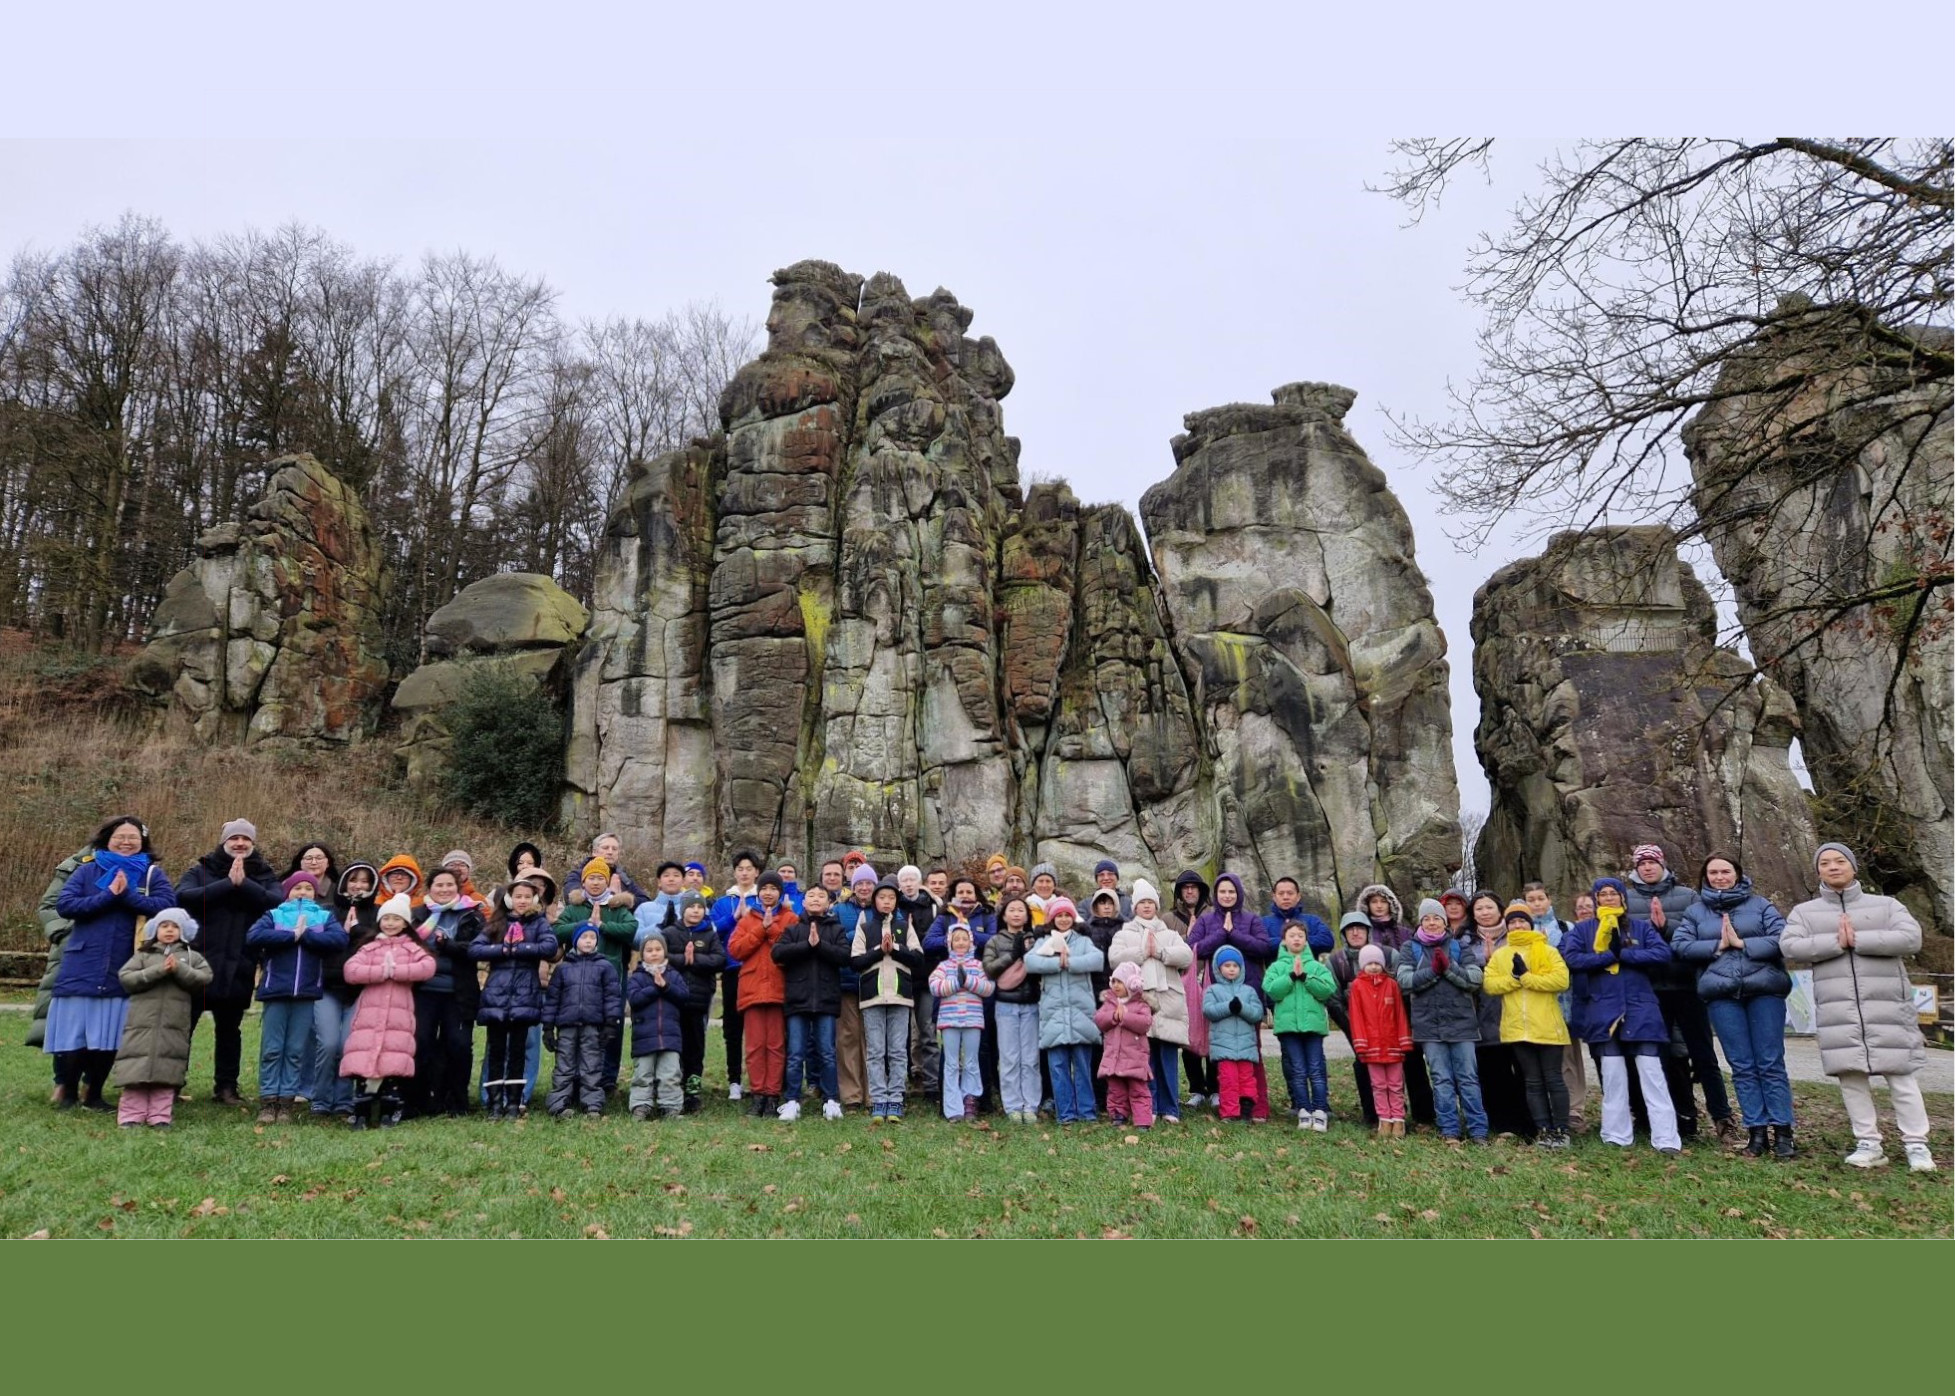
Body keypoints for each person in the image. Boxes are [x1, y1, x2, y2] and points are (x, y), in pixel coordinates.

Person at [1781, 843, 1935, 1172]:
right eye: (1825, 863)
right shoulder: (1804, 912)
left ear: (1853, 867)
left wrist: (1860, 940)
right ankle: (1868, 1143)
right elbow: (1790, 945)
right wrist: (1834, 943)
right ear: (1818, 870)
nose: (1833, 867)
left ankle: (1917, 1145)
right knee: (1851, 1078)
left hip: (1887, 1006)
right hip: (1839, 1011)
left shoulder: (1886, 905)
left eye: (1840, 861)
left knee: (1902, 1076)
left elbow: (1911, 939)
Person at [48, 816, 175, 1112]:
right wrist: (108, 896)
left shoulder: (151, 874)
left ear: (143, 842)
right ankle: (66, 1091)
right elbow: (66, 905)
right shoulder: (87, 870)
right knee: (75, 1034)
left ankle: (94, 1093)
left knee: (109, 1036)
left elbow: (166, 907)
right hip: (83, 962)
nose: (126, 842)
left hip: (125, 963)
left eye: (133, 837)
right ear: (107, 839)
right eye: (120, 836)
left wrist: (127, 896)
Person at [1674, 854, 1795, 1158]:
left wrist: (1743, 944)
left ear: (1737, 875)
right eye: (1713, 872)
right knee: (1741, 1065)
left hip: (1764, 990)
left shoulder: (1760, 905)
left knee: (1770, 1061)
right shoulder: (1695, 912)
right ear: (1705, 876)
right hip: (1722, 994)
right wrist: (1718, 946)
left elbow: (1784, 938)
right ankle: (1756, 1132)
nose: (1719, 877)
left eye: (1725, 871)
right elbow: (1680, 945)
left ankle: (1783, 1132)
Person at [1626, 843, 1738, 1146]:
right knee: (1659, 1059)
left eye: (1652, 862)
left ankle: (1722, 1117)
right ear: (1635, 868)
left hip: (1687, 985)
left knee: (1703, 1056)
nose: (1647, 867)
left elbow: (1699, 935)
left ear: (1662, 864)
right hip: (1649, 990)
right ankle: (1668, 1119)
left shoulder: (1688, 896)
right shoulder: (1627, 898)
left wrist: (1665, 927)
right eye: (1642, 863)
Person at [1562, 880, 1676, 1153]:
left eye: (1614, 893)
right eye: (1603, 894)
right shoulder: (1583, 930)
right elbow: (1572, 959)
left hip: (1640, 1007)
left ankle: (1666, 1138)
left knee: (1652, 1074)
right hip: (1602, 1009)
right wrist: (1605, 957)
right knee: (1613, 1076)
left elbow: (1662, 953)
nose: (1609, 898)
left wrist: (1623, 954)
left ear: (1623, 898)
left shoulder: (1640, 927)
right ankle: (1616, 1134)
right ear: (1596, 899)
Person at [175, 818, 280, 1105]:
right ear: (224, 842)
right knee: (184, 1026)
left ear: (253, 844)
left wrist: (244, 884)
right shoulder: (201, 869)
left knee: (230, 1030)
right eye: (234, 838)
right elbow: (183, 898)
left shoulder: (263, 873)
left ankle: (226, 1087)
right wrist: (227, 885)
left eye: (246, 839)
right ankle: (171, 1084)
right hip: (198, 962)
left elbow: (276, 902)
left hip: (240, 963)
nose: (240, 843)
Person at [244, 870, 347, 1122]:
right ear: (287, 891)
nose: (302, 892)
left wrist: (308, 935)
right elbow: (254, 936)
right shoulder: (274, 914)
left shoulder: (324, 916)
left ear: (316, 892)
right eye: (297, 888)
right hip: (276, 991)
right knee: (272, 1048)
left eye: (308, 888)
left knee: (294, 1049)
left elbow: (339, 939)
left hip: (307, 992)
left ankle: (286, 1102)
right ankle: (269, 1100)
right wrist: (291, 936)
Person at [340, 893, 437, 1128]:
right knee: (363, 1062)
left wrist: (398, 971)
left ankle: (389, 1109)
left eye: (396, 919)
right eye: (387, 919)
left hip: (398, 1016)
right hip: (369, 1015)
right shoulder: (370, 947)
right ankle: (361, 1110)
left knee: (392, 1064)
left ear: (405, 923)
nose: (391, 923)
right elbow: (351, 971)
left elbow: (427, 967)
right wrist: (379, 972)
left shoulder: (412, 948)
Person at [1397, 897, 1488, 1143]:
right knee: (1441, 1079)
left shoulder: (1459, 946)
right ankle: (1449, 1129)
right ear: (1420, 921)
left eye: (1437, 918)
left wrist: (1448, 968)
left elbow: (1474, 979)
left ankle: (1478, 1130)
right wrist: (1433, 972)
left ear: (1445, 922)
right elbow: (1404, 981)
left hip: (1462, 1024)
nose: (1432, 922)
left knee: (1468, 1078)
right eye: (1427, 918)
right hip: (1428, 1025)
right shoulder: (1410, 948)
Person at [469, 870, 559, 1120]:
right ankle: (495, 1103)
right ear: (510, 899)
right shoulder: (498, 923)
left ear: (533, 900)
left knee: (519, 1050)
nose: (522, 900)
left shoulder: (538, 923)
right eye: (518, 896)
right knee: (497, 1049)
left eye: (527, 897)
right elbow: (476, 949)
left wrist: (522, 948)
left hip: (525, 993)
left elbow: (550, 947)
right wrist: (503, 950)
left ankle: (513, 1103)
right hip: (497, 992)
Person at [113, 907, 211, 1128]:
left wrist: (179, 970)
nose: (169, 930)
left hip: (173, 1026)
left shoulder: (190, 957)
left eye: (175, 927)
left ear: (183, 931)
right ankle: (131, 1115)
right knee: (136, 1067)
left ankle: (160, 1116)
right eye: (164, 926)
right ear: (154, 930)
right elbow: (126, 978)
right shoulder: (143, 956)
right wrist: (159, 971)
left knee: (166, 1070)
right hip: (141, 1025)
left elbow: (204, 978)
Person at [1108, 879, 1194, 1124]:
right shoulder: (1125, 933)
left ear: (1156, 906)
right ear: (1135, 906)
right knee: (1145, 1058)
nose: (1146, 906)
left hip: (1168, 1002)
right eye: (1142, 902)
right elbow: (1115, 958)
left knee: (1167, 1056)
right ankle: (1150, 1105)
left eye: (1150, 902)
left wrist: (1161, 952)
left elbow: (1186, 956)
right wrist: (1141, 953)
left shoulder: (1169, 933)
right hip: (1139, 1004)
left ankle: (1170, 1107)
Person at [1189, 872, 1272, 1113]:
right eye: (1223, 891)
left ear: (1238, 894)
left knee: (1251, 1051)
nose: (1227, 895)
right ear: (1216, 894)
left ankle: (1257, 1104)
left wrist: (1234, 934)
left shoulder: (1251, 919)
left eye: (1231, 891)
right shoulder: (1206, 920)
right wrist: (1221, 935)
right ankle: (1229, 1102)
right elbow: (1193, 949)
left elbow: (1263, 947)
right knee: (1222, 1050)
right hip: (1218, 996)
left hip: (1248, 994)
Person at [555, 857, 637, 1095]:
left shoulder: (617, 907)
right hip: (578, 979)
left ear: (607, 882)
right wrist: (584, 924)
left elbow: (631, 929)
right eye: (591, 878)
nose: (595, 883)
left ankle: (607, 1079)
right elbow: (557, 929)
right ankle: (577, 1079)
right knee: (581, 1028)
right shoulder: (575, 907)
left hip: (610, 978)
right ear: (583, 881)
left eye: (600, 878)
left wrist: (602, 927)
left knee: (611, 1027)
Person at [772, 882, 850, 1121]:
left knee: (826, 1052)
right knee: (796, 1053)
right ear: (803, 902)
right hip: (798, 999)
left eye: (821, 896)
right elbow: (777, 954)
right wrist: (807, 945)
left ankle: (831, 1100)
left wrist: (820, 946)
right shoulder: (794, 928)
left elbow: (844, 956)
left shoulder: (836, 929)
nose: (816, 899)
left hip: (826, 999)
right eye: (811, 896)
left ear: (828, 903)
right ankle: (792, 1100)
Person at [847, 877, 923, 1121]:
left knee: (898, 1051)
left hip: (901, 995)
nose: (887, 902)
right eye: (882, 897)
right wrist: (880, 950)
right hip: (872, 996)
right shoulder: (866, 927)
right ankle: (879, 1100)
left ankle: (896, 1100)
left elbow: (918, 958)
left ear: (896, 901)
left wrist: (896, 949)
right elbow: (856, 961)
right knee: (876, 1051)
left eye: (891, 897)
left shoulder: (903, 926)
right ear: (874, 901)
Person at [1024, 898, 1105, 1124]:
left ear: (1072, 917)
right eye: (1059, 916)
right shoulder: (1044, 942)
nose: (1063, 919)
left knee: (1082, 1065)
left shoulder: (1082, 941)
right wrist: (1056, 964)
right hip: (1054, 1014)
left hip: (1080, 1014)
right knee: (1058, 1067)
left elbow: (1097, 959)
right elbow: (1029, 962)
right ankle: (1066, 1113)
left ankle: (1087, 1112)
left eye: (1067, 915)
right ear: (1052, 919)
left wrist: (1070, 963)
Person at [411, 866, 483, 1118]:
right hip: (423, 990)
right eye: (439, 885)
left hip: (458, 990)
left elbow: (476, 949)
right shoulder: (417, 915)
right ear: (429, 888)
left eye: (449, 885)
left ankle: (458, 1101)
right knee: (421, 1042)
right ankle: (420, 1100)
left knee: (459, 1045)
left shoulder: (472, 914)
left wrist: (449, 946)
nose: (444, 889)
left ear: (458, 887)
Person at [312, 861, 381, 1119]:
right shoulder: (327, 911)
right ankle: (320, 1099)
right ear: (344, 883)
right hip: (328, 987)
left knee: (348, 1045)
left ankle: (344, 1100)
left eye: (365, 881)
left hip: (361, 990)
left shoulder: (379, 913)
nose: (358, 885)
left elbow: (383, 939)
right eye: (354, 879)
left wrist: (357, 930)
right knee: (328, 1044)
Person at [727, 871, 796, 1118]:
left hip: (779, 990)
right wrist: (759, 931)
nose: (768, 893)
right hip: (752, 990)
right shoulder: (747, 918)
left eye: (773, 889)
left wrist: (771, 928)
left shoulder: (790, 918)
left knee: (776, 1046)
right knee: (755, 1046)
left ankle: (772, 1095)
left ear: (780, 893)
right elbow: (735, 950)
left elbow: (791, 949)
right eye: (764, 888)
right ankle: (757, 1095)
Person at [1463, 891, 1532, 1137]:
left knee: (1524, 1071)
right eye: (1479, 908)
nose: (1485, 912)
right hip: (1482, 1014)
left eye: (1489, 907)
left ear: (1499, 909)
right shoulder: (1465, 941)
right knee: (1493, 1073)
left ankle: (1529, 1123)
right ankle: (1502, 1124)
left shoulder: (1516, 935)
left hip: (1517, 1011)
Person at [1522, 880, 1588, 1131]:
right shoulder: (1519, 930)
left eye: (1540, 898)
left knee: (1569, 1059)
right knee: (1540, 1063)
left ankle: (1574, 1110)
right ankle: (1547, 1110)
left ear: (1549, 900)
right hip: (1535, 1007)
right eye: (1531, 900)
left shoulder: (1565, 927)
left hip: (1564, 1002)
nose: (1537, 903)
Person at [543, 924, 624, 1118]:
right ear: (575, 941)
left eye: (592, 937)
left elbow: (612, 996)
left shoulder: (605, 967)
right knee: (564, 1064)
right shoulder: (563, 968)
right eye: (584, 937)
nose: (588, 941)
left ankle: (592, 1103)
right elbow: (553, 998)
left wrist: (611, 1022)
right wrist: (547, 1027)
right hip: (567, 1025)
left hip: (593, 1025)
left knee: (592, 1064)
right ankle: (559, 1103)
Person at [1264, 920, 1338, 1131]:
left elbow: (1327, 990)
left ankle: (1320, 1109)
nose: (1296, 939)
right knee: (1297, 1070)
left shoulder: (1315, 966)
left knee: (1316, 1069)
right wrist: (1290, 977)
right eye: (1292, 935)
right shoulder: (1276, 967)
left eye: (1300, 936)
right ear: (1284, 941)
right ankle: (1303, 1109)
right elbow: (1271, 990)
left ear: (1306, 940)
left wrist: (1306, 977)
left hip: (1313, 1027)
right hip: (1288, 1028)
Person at [29, 844, 94, 1069]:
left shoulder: (143, 866)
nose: (124, 841)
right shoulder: (76, 865)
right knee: (66, 1017)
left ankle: (91, 1083)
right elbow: (50, 905)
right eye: (118, 835)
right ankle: (62, 1083)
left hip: (115, 950)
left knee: (105, 1021)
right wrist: (63, 933)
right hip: (73, 948)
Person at [659, 891, 724, 1114]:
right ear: (682, 909)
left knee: (695, 1049)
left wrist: (694, 960)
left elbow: (719, 959)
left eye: (700, 907)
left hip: (698, 1002)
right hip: (673, 1001)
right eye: (691, 907)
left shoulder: (709, 934)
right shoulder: (669, 933)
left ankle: (692, 1092)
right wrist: (681, 960)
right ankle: (670, 1089)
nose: (696, 911)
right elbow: (660, 958)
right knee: (673, 1048)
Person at [981, 894, 1044, 1122]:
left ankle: (1031, 1104)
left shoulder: (1035, 939)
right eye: (1012, 910)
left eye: (1021, 910)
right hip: (1005, 1004)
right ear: (1004, 915)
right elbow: (989, 969)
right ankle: (1012, 1106)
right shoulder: (995, 941)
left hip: (1031, 1003)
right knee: (1009, 1057)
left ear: (1027, 915)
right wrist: (1013, 956)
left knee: (1030, 1058)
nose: (1017, 914)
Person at [711, 851, 765, 1101]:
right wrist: (732, 918)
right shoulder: (723, 902)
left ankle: (760, 1080)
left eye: (749, 868)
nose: (744, 872)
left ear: (757, 872)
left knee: (759, 1027)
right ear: (734, 873)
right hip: (732, 969)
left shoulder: (763, 899)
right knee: (733, 1027)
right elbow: (713, 933)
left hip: (758, 970)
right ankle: (734, 1080)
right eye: (740, 868)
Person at [1326, 911, 1388, 1125]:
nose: (1355, 932)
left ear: (1368, 931)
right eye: (1350, 929)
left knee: (1390, 1066)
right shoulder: (1336, 962)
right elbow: (1333, 1000)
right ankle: (1371, 1113)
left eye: (1360, 928)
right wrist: (1352, 1028)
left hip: (1386, 1026)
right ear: (1344, 934)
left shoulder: (1387, 955)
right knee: (1363, 1065)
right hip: (1355, 1025)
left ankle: (1393, 1111)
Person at [929, 922, 994, 1122]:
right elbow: (935, 986)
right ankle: (952, 1107)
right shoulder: (944, 966)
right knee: (951, 1062)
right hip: (949, 1020)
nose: (960, 943)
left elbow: (988, 988)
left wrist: (968, 981)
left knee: (971, 1061)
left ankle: (970, 1100)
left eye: (964, 939)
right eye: (956, 939)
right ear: (949, 942)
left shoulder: (978, 965)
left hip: (973, 1019)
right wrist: (956, 982)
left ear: (970, 942)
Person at [1348, 943, 1415, 1136]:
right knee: (1378, 1085)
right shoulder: (1358, 986)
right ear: (1362, 965)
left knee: (1395, 1084)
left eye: (1378, 963)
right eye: (1370, 963)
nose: (1374, 967)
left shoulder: (1392, 985)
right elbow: (1356, 1017)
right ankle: (1384, 1119)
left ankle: (1398, 1119)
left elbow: (1400, 1014)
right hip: (1372, 1047)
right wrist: (1361, 1043)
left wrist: (1404, 1040)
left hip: (1392, 1044)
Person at [627, 934, 690, 1120]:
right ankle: (640, 1105)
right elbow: (635, 999)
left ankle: (670, 1107)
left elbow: (684, 996)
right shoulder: (637, 976)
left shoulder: (673, 975)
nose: (654, 953)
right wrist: (656, 988)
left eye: (658, 949)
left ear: (664, 951)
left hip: (670, 1036)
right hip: (644, 1036)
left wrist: (666, 986)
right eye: (649, 950)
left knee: (670, 1073)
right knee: (643, 1073)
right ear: (642, 954)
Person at [833, 864, 880, 1111]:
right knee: (848, 1038)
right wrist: (862, 935)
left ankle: (874, 1093)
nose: (864, 888)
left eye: (868, 883)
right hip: (847, 981)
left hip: (877, 982)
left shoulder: (883, 906)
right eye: (859, 883)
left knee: (873, 1039)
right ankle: (851, 1094)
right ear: (853, 886)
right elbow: (836, 938)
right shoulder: (840, 909)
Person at [1202, 945, 1266, 1123]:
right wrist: (1228, 1007)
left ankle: (1246, 1109)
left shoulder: (1249, 991)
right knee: (1228, 1080)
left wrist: (1242, 1008)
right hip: (1224, 1046)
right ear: (1218, 968)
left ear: (1241, 968)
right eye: (1227, 965)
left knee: (1247, 1079)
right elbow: (1208, 1010)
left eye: (1235, 966)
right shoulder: (1213, 991)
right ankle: (1229, 1112)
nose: (1231, 969)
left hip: (1246, 1047)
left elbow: (1257, 1013)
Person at [1166, 869, 1214, 1109]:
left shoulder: (1213, 915)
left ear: (1201, 890)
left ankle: (1215, 1088)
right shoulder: (1168, 919)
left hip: (1211, 979)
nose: (1190, 890)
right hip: (1182, 982)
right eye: (1185, 887)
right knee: (1188, 1037)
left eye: (1194, 887)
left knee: (1212, 1033)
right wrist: (1188, 937)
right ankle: (1197, 1088)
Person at [896, 864, 942, 1099]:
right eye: (904, 880)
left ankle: (932, 1084)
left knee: (927, 1031)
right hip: (900, 977)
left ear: (919, 882)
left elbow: (934, 939)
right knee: (901, 1035)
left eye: (912, 879)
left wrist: (914, 937)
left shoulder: (934, 906)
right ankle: (904, 1083)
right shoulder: (894, 906)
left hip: (927, 977)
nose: (908, 884)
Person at [1095, 962, 1154, 1127]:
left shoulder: (1141, 1004)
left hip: (1134, 1058)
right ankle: (1118, 1115)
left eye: (1119, 982)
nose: (1115, 985)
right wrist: (1113, 1016)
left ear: (1131, 983)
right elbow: (1099, 1019)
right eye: (1113, 981)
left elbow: (1145, 1023)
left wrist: (1126, 1017)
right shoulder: (1109, 1002)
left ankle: (1142, 1120)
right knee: (1116, 1090)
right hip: (1114, 1058)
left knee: (1138, 1090)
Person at [567, 832, 642, 909]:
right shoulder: (577, 875)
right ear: (594, 852)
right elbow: (570, 896)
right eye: (605, 848)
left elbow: (644, 902)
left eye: (614, 849)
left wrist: (622, 898)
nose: (610, 852)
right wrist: (609, 896)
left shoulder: (624, 878)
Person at [1263, 877, 1333, 956]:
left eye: (1290, 893)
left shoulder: (1312, 921)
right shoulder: (1264, 923)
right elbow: (1259, 945)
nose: (1285, 897)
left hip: (1308, 967)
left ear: (1298, 896)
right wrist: (1287, 941)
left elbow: (1327, 941)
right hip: (1275, 968)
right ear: (1274, 897)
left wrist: (1297, 941)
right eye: (1281, 893)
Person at [634, 861, 688, 943]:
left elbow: (708, 936)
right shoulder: (644, 909)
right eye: (666, 875)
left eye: (676, 875)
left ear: (683, 881)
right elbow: (635, 939)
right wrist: (659, 927)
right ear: (659, 882)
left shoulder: (695, 907)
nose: (671, 879)